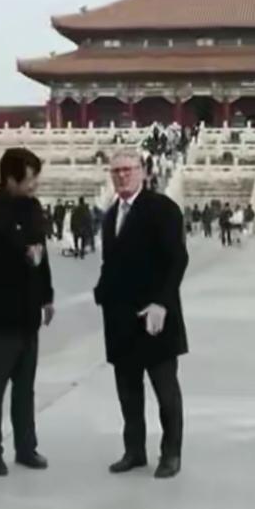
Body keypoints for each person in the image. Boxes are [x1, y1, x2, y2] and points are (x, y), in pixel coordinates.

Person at [95, 149, 188, 480]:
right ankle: (134, 450)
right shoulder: (110, 215)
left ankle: (171, 453)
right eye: (116, 170)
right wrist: (101, 292)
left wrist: (162, 303)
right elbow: (111, 262)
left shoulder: (162, 209)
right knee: (128, 392)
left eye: (128, 169)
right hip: (120, 319)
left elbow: (177, 259)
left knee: (165, 391)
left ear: (143, 172)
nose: (122, 175)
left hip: (154, 317)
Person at [0, 148, 55, 477]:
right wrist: (25, 248)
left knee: (25, 386)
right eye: (30, 178)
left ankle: (26, 447)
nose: (35, 184)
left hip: (28, 312)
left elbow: (41, 253)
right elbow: (5, 248)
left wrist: (47, 297)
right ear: (10, 178)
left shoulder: (33, 207)